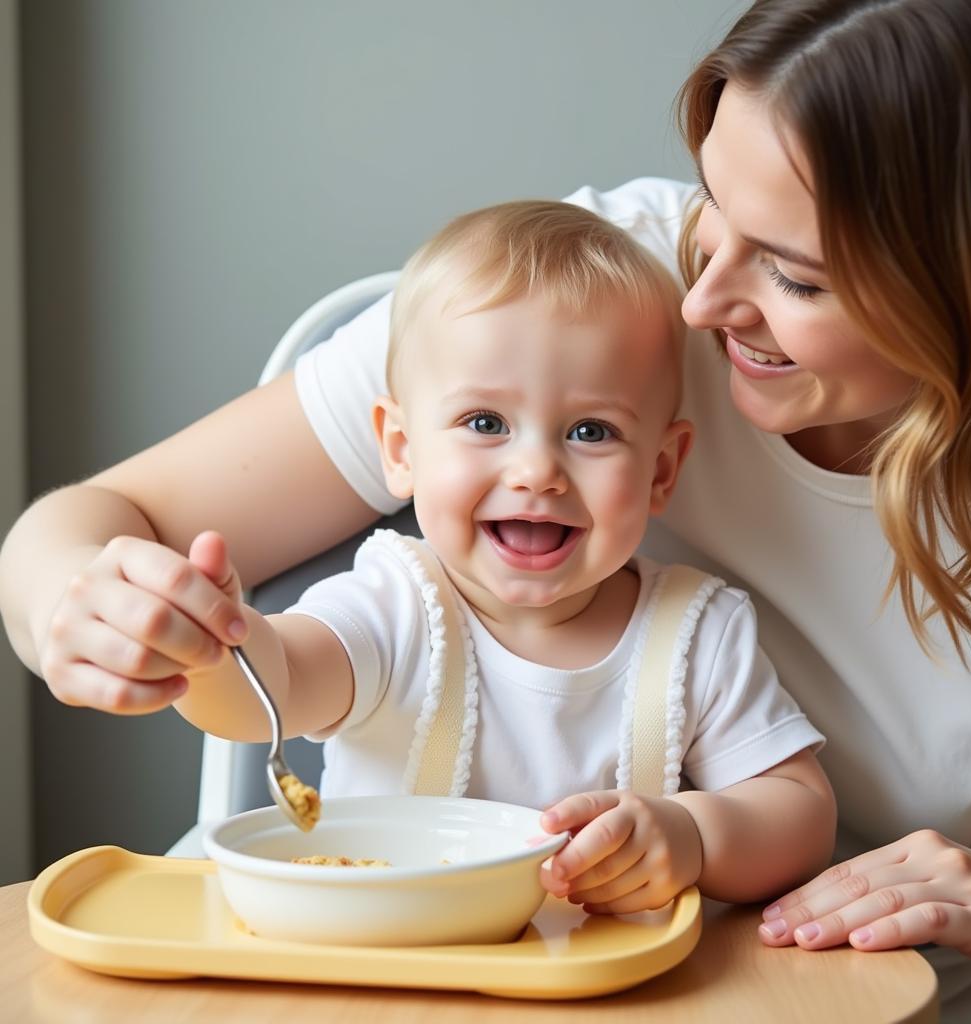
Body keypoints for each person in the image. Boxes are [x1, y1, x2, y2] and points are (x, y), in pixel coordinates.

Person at [0, 0, 971, 1019]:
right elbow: (123, 537)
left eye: (798, 275)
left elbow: (796, 813)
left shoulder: (698, 628)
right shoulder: (580, 304)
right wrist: (121, 620)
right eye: (714, 207)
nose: (700, 303)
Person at [169, 199, 836, 912]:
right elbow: (276, 685)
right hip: (390, 977)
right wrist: (210, 646)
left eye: (590, 430)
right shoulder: (395, 603)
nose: (536, 471)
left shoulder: (695, 632)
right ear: (400, 450)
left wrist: (693, 835)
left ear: (660, 471)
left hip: (607, 994)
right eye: (485, 422)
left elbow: (799, 812)